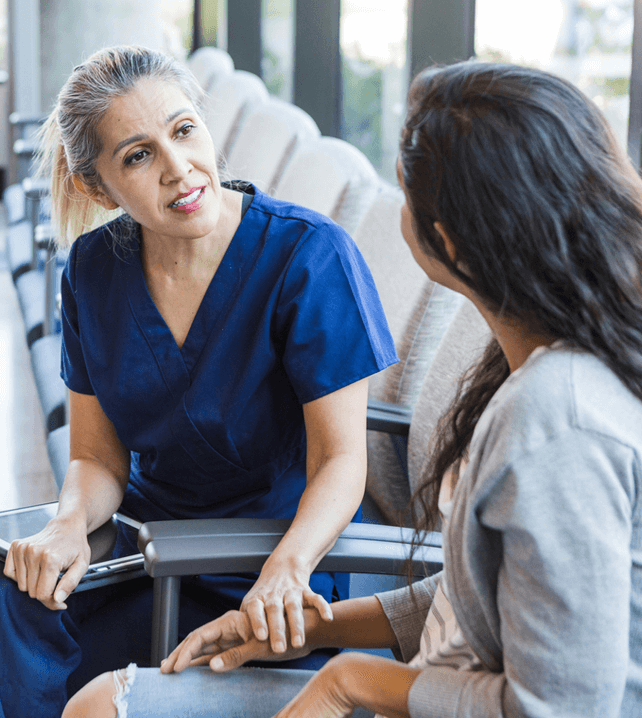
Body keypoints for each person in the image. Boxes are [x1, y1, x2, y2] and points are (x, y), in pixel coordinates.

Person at [63, 60, 642, 718]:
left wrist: (349, 681)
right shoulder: (529, 374)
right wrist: (322, 630)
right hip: (423, 674)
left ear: (447, 239)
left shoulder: (556, 420)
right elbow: (478, 604)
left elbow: (561, 708)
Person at [0, 46, 399, 718]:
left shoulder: (307, 256)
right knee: (18, 591)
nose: (179, 168)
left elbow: (339, 461)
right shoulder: (93, 270)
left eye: (184, 131)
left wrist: (288, 567)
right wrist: (69, 525)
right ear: (99, 187)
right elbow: (98, 458)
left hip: (273, 566)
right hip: (146, 552)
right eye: (138, 156)